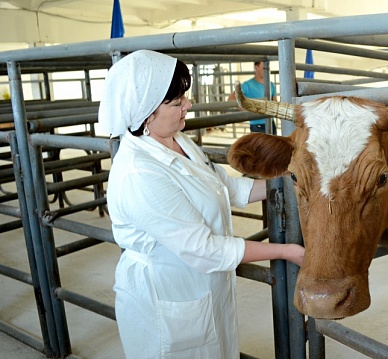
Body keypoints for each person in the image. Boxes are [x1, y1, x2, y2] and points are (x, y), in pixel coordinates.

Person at [98, 50, 304, 358]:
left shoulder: (179, 141)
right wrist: (286, 251)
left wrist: (296, 181)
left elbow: (225, 188)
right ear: (148, 111)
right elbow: (204, 249)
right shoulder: (139, 172)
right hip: (166, 291)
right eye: (177, 101)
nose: (188, 105)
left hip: (201, 286)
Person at [228, 61, 278, 135]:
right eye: (264, 66)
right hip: (257, 125)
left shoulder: (271, 85)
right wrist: (247, 109)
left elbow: (275, 103)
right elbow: (231, 99)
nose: (267, 69)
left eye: (268, 66)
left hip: (271, 123)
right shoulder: (247, 85)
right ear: (256, 67)